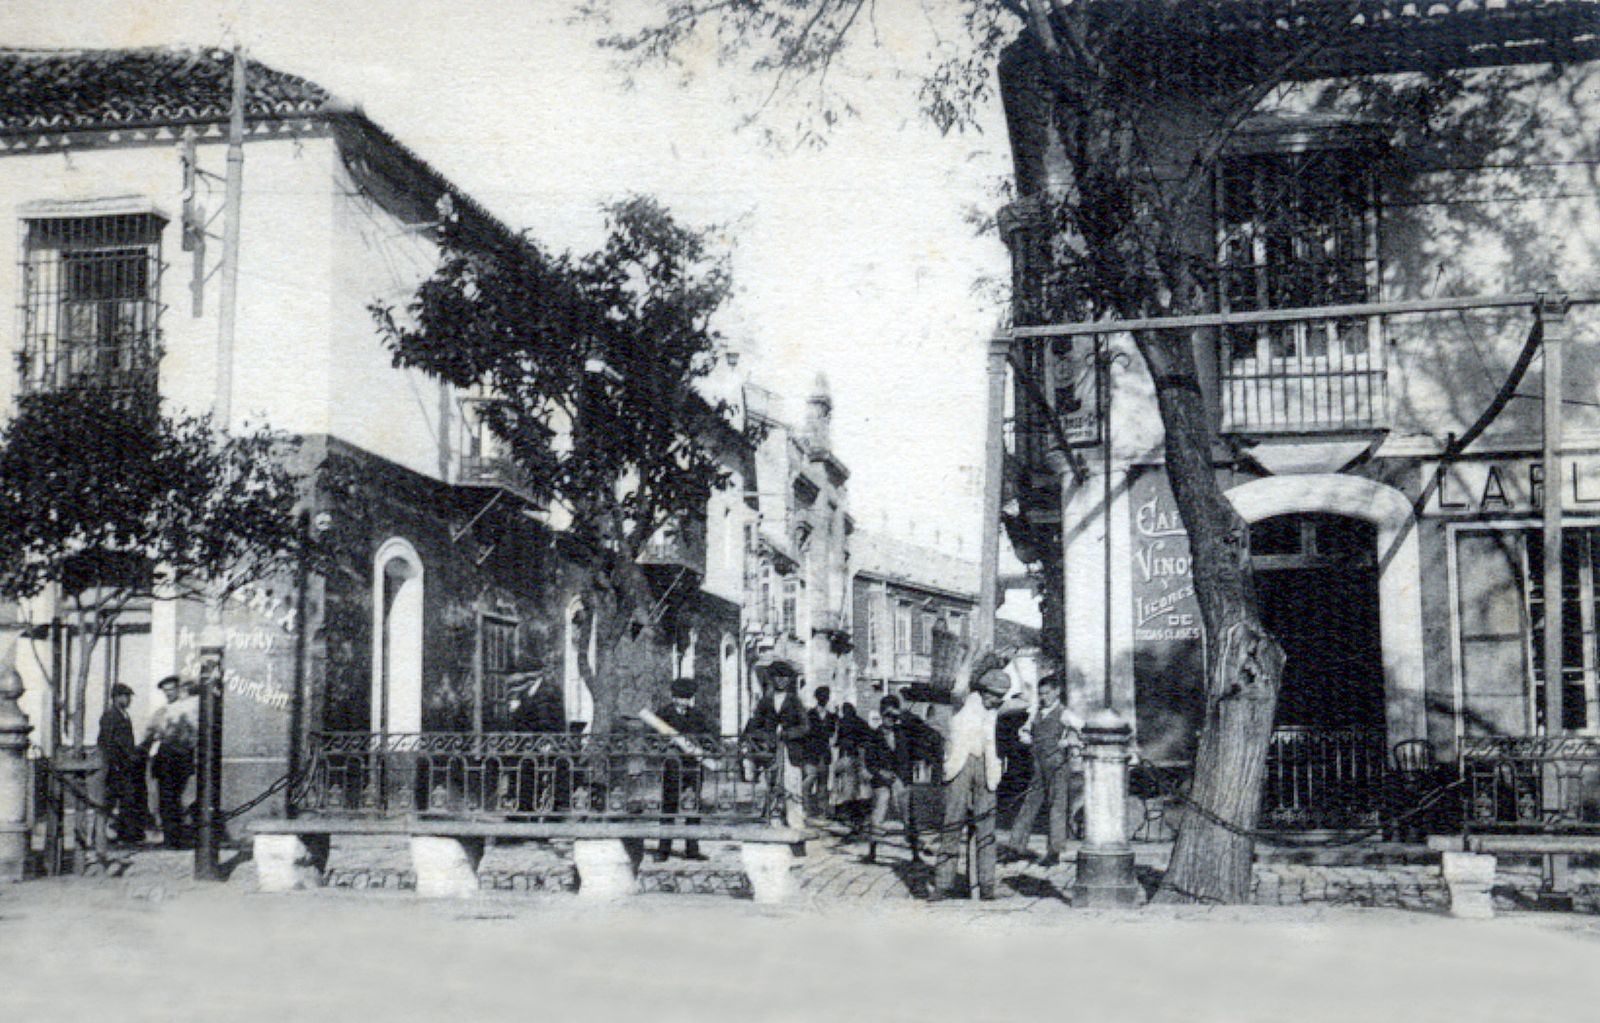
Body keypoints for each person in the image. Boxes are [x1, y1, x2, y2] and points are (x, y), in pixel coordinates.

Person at [931, 651, 1010, 901]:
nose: (997, 702)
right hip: (959, 766)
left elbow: (1026, 702)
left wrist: (1014, 665)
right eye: (994, 696)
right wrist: (968, 658)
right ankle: (943, 884)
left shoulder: (994, 710)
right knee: (952, 824)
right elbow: (958, 686)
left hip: (986, 768)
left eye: (1001, 698)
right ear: (984, 691)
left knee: (987, 828)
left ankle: (987, 885)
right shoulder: (963, 702)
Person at [1001, 673, 1084, 867]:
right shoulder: (1036, 712)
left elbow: (1086, 730)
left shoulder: (1065, 713)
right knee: (1029, 804)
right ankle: (1015, 847)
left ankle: (1054, 852)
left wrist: (1072, 742)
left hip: (1057, 766)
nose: (1043, 697)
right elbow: (1025, 729)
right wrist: (1024, 735)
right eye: (1041, 694)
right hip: (1038, 764)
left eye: (1047, 693)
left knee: (1056, 807)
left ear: (1056, 692)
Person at [742, 660, 810, 829]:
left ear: (789, 680)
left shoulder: (795, 702)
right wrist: (768, 736)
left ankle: (795, 824)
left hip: (791, 752)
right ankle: (774, 822)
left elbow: (805, 727)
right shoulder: (765, 702)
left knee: (792, 787)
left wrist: (787, 734)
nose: (781, 681)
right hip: (772, 752)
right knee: (773, 785)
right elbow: (754, 727)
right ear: (772, 679)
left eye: (785, 677)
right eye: (777, 677)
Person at [653, 676, 714, 861]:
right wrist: (666, 742)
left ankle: (692, 850)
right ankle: (663, 850)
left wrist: (702, 744)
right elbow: (653, 739)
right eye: (681, 697)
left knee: (693, 807)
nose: (684, 701)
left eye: (688, 697)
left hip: (693, 765)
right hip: (672, 766)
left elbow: (708, 737)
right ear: (673, 697)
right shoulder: (662, 715)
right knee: (669, 807)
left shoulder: (697, 715)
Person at [862, 695, 924, 865]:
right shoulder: (873, 736)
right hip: (882, 781)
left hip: (901, 779)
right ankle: (872, 852)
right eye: (886, 715)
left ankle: (915, 853)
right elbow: (869, 762)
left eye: (893, 716)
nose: (890, 719)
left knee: (908, 816)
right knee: (877, 815)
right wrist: (880, 772)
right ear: (881, 714)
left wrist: (904, 778)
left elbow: (916, 749)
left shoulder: (904, 734)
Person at [141, 674, 199, 849]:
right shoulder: (161, 711)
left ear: (179, 689)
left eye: (171, 690)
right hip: (165, 760)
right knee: (166, 800)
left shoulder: (188, 709)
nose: (168, 693)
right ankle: (171, 837)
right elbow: (149, 733)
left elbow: (193, 734)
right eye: (165, 691)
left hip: (179, 759)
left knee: (175, 799)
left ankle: (175, 837)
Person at [96, 682, 148, 845]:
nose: (128, 700)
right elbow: (107, 741)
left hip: (125, 766)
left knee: (126, 800)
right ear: (116, 697)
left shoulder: (123, 714)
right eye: (125, 696)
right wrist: (114, 762)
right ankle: (100, 836)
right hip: (116, 766)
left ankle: (125, 834)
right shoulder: (111, 716)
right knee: (110, 801)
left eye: (129, 697)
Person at [800, 685, 837, 818]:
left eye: (826, 696)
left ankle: (822, 811)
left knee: (823, 783)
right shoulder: (809, 715)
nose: (824, 699)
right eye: (821, 696)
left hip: (823, 754)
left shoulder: (832, 716)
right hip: (810, 753)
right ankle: (807, 809)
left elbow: (832, 733)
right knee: (809, 780)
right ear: (816, 697)